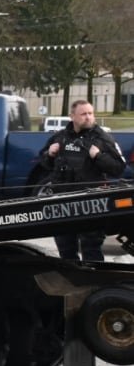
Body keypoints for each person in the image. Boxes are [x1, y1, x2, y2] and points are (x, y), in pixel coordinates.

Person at [38, 99, 126, 261]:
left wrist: (98, 156)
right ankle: (71, 283)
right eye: (83, 114)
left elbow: (119, 168)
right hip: (62, 203)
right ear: (72, 116)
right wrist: (49, 154)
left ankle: (95, 282)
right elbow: (43, 164)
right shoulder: (60, 137)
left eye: (90, 113)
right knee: (66, 250)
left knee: (91, 249)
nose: (88, 117)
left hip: (90, 204)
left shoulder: (102, 138)